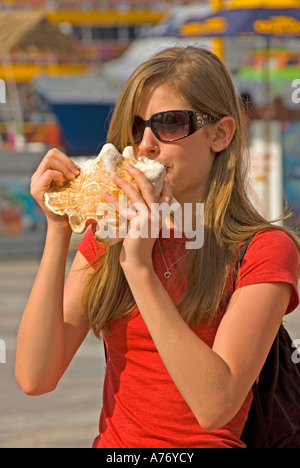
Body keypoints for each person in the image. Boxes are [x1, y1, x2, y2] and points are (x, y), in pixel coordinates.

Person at [15, 46, 300, 448]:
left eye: (168, 124)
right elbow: (35, 377)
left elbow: (216, 404)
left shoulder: (264, 249)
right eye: (137, 126)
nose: (146, 143)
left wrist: (140, 270)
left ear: (220, 134)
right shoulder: (110, 234)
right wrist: (58, 228)